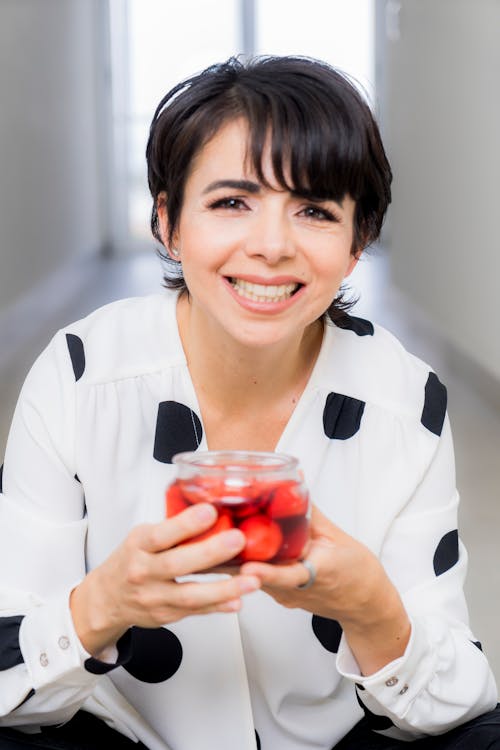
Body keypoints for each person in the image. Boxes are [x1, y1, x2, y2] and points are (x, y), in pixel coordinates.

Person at [0, 55, 498, 750]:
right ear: (168, 223)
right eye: (232, 202)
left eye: (315, 211)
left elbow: (455, 696)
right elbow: (9, 669)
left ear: (357, 246)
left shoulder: (404, 400)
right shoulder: (80, 375)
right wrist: (101, 606)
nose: (271, 247)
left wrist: (373, 609)